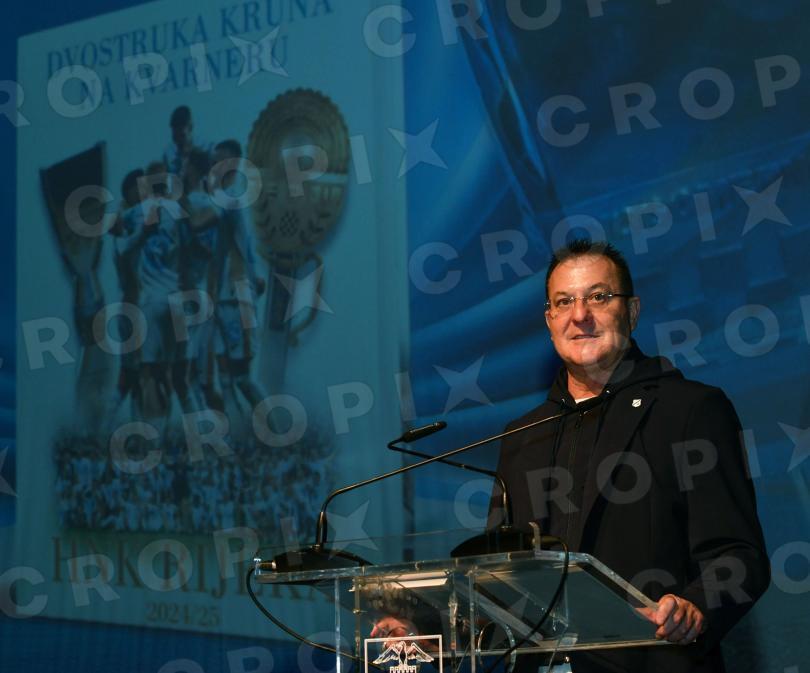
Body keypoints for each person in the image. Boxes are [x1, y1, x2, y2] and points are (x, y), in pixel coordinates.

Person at [489, 239, 770, 672]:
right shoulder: (522, 437)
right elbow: (494, 574)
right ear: (550, 320)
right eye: (564, 302)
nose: (580, 315)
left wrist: (694, 606)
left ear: (632, 312)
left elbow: (739, 555)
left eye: (598, 297)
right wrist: (424, 624)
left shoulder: (689, 411)